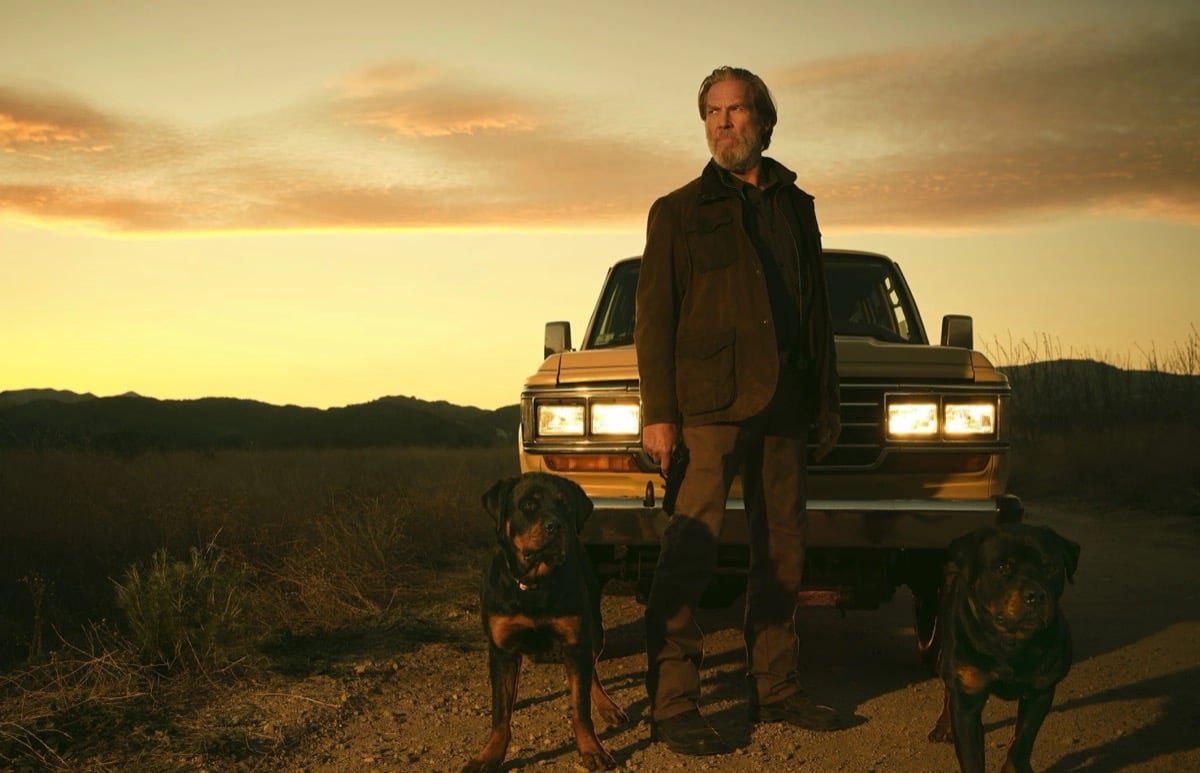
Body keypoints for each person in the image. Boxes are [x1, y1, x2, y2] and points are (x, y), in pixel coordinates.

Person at [635, 65, 843, 756]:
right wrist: (659, 413)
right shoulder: (677, 210)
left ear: (764, 119)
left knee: (782, 552)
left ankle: (777, 686)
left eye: (738, 110)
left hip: (786, 401)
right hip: (706, 408)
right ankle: (673, 702)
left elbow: (816, 314)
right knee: (688, 551)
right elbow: (654, 319)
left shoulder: (798, 205)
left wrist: (826, 400)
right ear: (705, 124)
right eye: (713, 113)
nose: (725, 123)